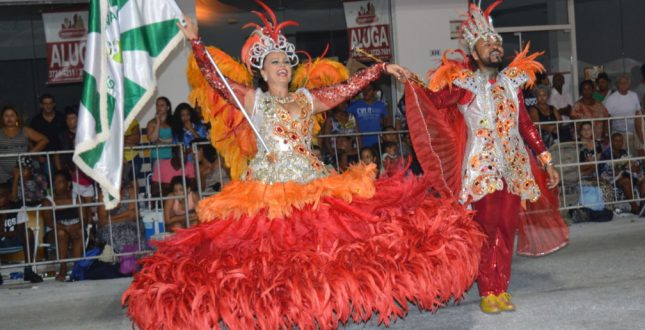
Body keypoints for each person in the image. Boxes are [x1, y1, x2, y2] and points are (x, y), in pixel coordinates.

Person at [124, 6, 483, 329]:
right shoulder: (253, 99)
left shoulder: (306, 98)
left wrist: (380, 69)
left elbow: (345, 89)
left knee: (325, 250)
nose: (282, 66)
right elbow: (216, 80)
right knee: (272, 258)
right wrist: (196, 42)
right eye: (274, 62)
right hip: (266, 188)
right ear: (262, 72)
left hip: (312, 181)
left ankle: (320, 307)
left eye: (285, 61)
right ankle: (281, 310)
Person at [405, 2, 568, 314]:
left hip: (514, 166)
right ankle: (486, 290)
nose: (495, 47)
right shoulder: (465, 85)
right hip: (483, 168)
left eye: (497, 43)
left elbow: (526, 125)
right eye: (487, 44)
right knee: (487, 229)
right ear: (475, 54)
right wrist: (410, 81)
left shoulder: (513, 83)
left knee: (507, 227)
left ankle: (501, 288)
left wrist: (546, 160)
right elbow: (434, 100)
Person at [41, 171, 83, 281]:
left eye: (60, 182)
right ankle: (63, 267)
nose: (56, 185)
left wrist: (74, 227)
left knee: (79, 232)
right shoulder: (48, 201)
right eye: (55, 182)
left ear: (68, 183)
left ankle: (76, 268)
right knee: (61, 233)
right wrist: (65, 228)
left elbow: (84, 219)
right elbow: (49, 222)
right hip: (55, 229)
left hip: (75, 227)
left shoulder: (76, 197)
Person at [0, 182, 43, 283]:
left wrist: (3, 233)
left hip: (14, 241)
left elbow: (20, 232)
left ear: (9, 196)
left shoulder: (18, 208)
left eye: (1, 196)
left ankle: (28, 270)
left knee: (28, 233)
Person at [0, 106, 48, 183]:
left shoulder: (25, 130)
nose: (9, 118)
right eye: (6, 116)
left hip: (26, 170)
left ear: (17, 117)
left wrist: (30, 153)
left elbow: (44, 140)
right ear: (2, 118)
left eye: (12, 115)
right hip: (4, 174)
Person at [604, 75, 641, 154]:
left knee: (633, 157)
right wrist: (607, 134)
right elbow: (607, 118)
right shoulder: (611, 98)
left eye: (626, 82)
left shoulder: (634, 95)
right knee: (620, 157)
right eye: (621, 83)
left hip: (633, 132)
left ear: (629, 84)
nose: (623, 85)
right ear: (617, 84)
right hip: (618, 133)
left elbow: (638, 113)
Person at [145, 97, 174, 195]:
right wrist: (158, 122)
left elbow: (176, 139)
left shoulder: (173, 122)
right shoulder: (152, 123)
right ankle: (158, 204)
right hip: (157, 157)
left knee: (171, 182)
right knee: (158, 182)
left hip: (172, 157)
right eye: (157, 105)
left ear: (168, 107)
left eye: (162, 105)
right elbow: (153, 139)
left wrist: (162, 141)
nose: (159, 107)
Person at [347, 84, 389, 148]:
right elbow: (347, 120)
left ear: (374, 92)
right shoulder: (354, 105)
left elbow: (387, 120)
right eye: (364, 89)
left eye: (369, 90)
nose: (365, 92)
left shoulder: (381, 105)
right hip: (359, 142)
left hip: (377, 141)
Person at [571, 80, 610, 144]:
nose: (587, 91)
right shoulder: (577, 106)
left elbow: (606, 120)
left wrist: (606, 135)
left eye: (589, 88)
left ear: (593, 90)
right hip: (583, 141)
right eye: (584, 89)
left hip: (598, 140)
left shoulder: (599, 105)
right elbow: (574, 125)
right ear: (581, 91)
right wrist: (578, 139)